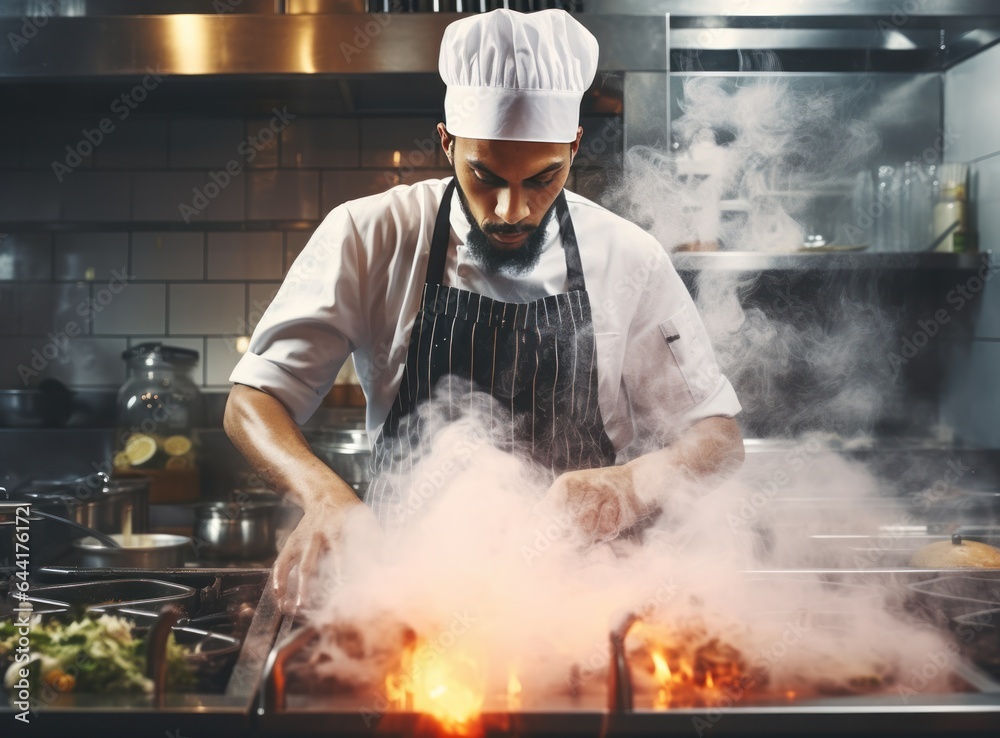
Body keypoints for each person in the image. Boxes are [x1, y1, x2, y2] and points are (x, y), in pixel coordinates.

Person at [225, 9, 744, 613]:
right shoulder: (370, 234)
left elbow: (718, 439)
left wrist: (630, 485)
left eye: (543, 179)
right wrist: (321, 495)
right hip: (411, 604)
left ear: (574, 148)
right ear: (447, 140)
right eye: (485, 175)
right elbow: (252, 400)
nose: (510, 209)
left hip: (587, 607)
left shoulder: (629, 257)